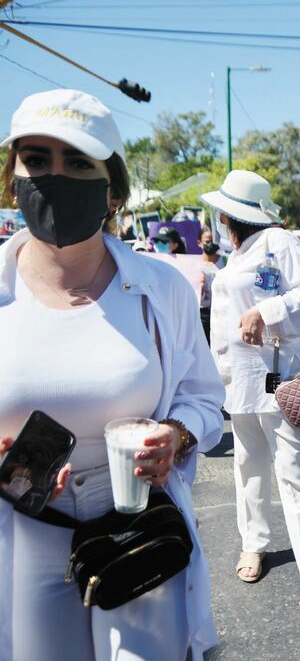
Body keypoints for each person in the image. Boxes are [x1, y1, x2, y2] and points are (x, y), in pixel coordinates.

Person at [0, 89, 225, 659]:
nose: (54, 177)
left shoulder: (162, 288)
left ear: (113, 190)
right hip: (23, 536)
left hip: (137, 530)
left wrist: (177, 436)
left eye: (78, 162)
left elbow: (204, 399)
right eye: (36, 159)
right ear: (11, 177)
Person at [201, 170, 300, 611]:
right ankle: (252, 543)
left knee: (292, 472)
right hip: (238, 379)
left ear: (229, 214)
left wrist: (268, 310)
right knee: (248, 466)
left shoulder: (280, 242)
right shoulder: (236, 253)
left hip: (277, 375)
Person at [198, 226, 225, 344]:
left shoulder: (227, 261)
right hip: (203, 314)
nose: (212, 244)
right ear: (199, 243)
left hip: (222, 311)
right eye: (208, 241)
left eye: (214, 240)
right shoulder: (194, 264)